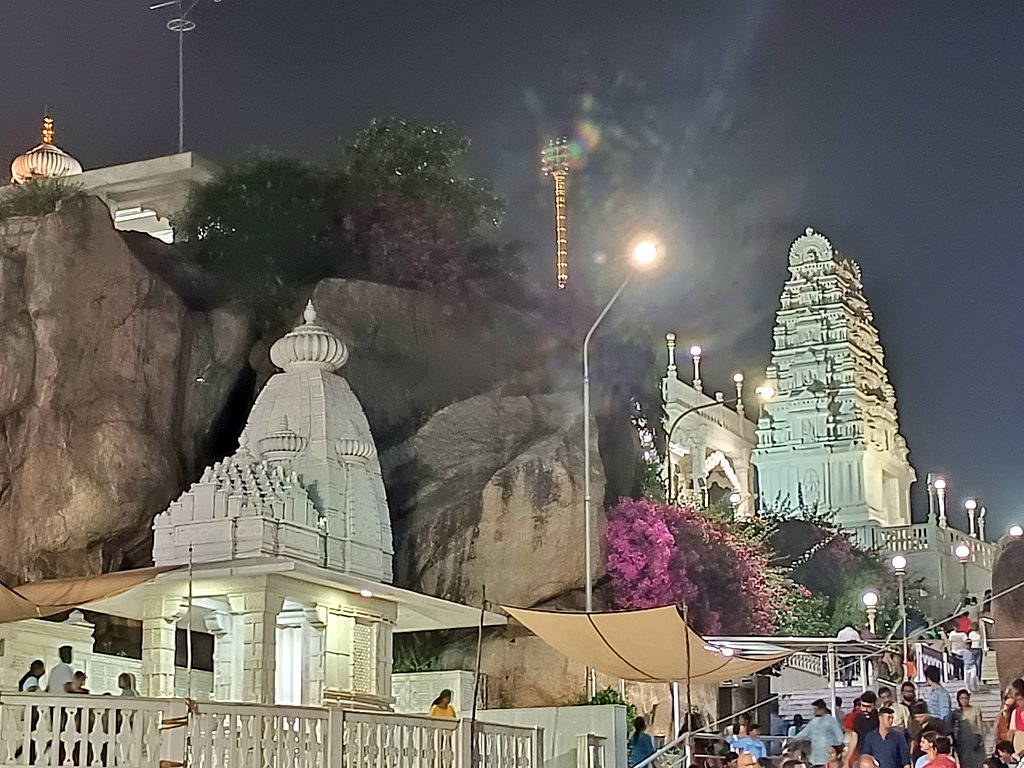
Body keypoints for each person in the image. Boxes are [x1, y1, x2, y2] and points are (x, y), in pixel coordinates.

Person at [791, 699, 845, 768]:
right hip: (814, 758)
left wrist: (832, 747)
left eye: (815, 709)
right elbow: (804, 733)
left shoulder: (831, 721)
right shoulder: (814, 721)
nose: (814, 712)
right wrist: (792, 740)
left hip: (826, 757)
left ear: (822, 709)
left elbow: (840, 738)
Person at [952, 689, 985, 768]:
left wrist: (980, 738)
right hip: (962, 741)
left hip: (974, 739)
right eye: (962, 698)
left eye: (966, 698)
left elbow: (979, 725)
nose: (964, 700)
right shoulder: (956, 713)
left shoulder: (975, 710)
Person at [850, 692, 881, 763]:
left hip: (877, 753)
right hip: (861, 753)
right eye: (863, 706)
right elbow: (854, 737)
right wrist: (848, 758)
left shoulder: (879, 718)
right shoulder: (858, 718)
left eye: (869, 707)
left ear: (875, 705)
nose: (865, 709)